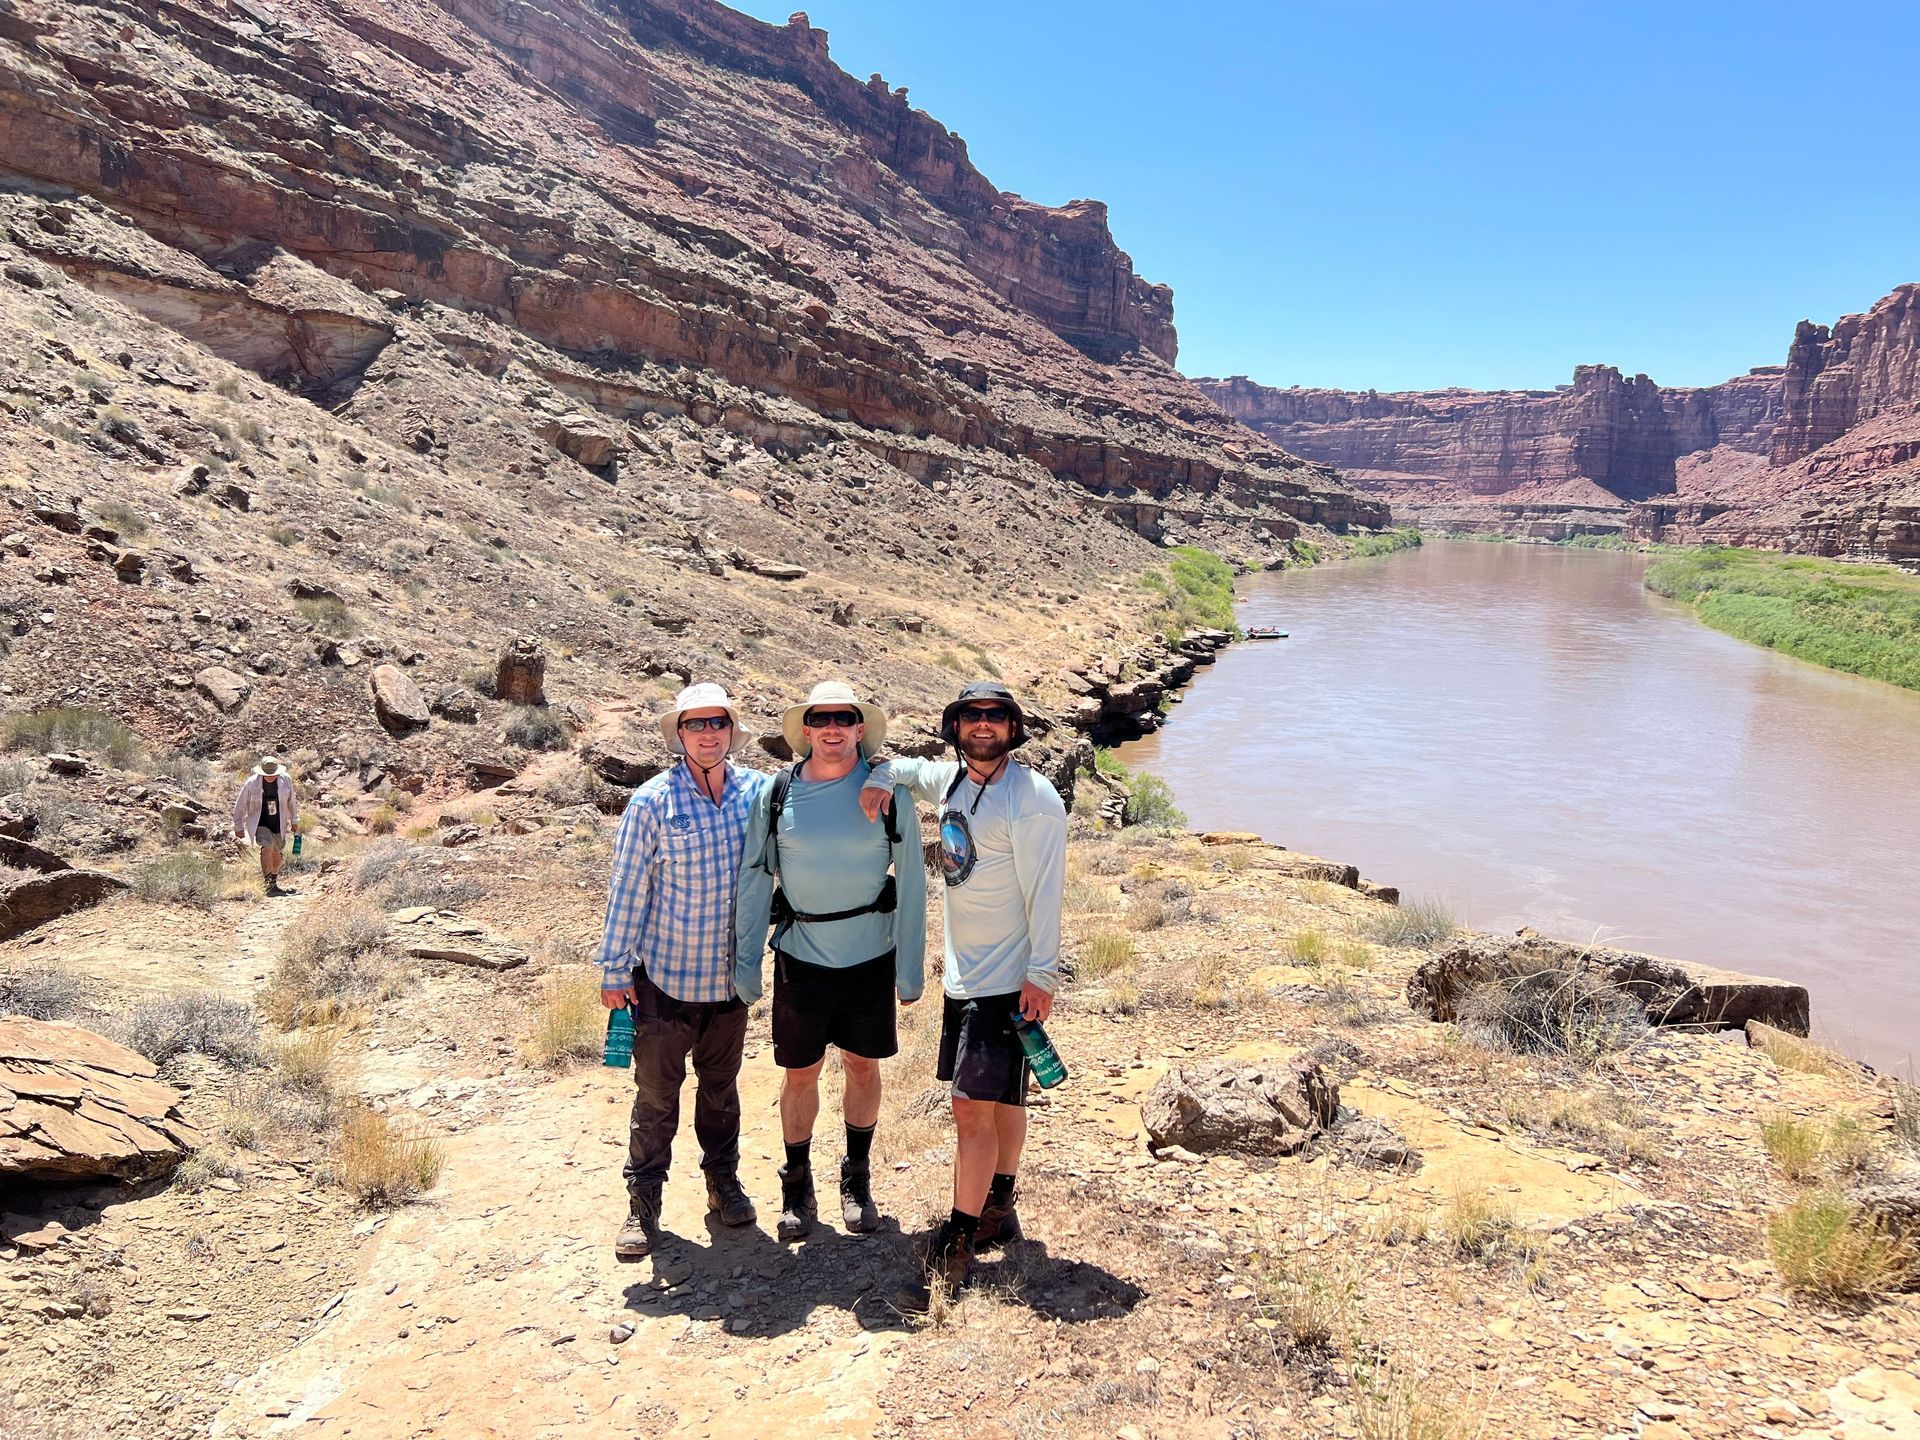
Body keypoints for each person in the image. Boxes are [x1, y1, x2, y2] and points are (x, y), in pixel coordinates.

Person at [861, 681, 1066, 1290]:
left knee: (969, 1111)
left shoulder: (1029, 799)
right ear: (956, 727)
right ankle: (999, 1202)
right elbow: (906, 769)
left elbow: (1047, 892)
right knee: (1004, 1099)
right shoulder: (953, 782)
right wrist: (880, 776)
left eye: (995, 717)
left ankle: (956, 1237)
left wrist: (1042, 974)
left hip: (1005, 982)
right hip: (964, 977)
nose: (983, 726)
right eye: (972, 716)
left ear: (1013, 727)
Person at [735, 681, 925, 1242]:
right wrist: (747, 963)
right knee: (800, 1073)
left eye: (845, 718)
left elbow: (912, 882)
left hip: (871, 956)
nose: (834, 728)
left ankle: (857, 1180)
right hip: (801, 956)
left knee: (863, 1067)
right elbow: (754, 881)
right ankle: (797, 1185)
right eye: (822, 719)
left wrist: (910, 970)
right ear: (807, 730)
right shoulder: (775, 795)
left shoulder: (888, 793)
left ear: (860, 729)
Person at [596, 682, 768, 1260]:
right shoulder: (652, 801)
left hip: (729, 983)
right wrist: (614, 969)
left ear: (730, 730)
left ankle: (723, 1184)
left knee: (721, 1091)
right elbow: (629, 888)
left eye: (717, 723)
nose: (708, 734)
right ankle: (643, 1204)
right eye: (695, 725)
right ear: (680, 734)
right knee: (656, 1097)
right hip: (665, 980)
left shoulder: (756, 795)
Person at [231, 756, 299, 896]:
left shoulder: (285, 780)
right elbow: (241, 805)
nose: (270, 777)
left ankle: (274, 881)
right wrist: (238, 826)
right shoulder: (252, 783)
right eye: (267, 774)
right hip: (260, 822)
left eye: (272, 774)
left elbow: (292, 801)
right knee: (267, 846)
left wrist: (294, 820)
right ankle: (267, 882)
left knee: (277, 852)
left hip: (279, 822)